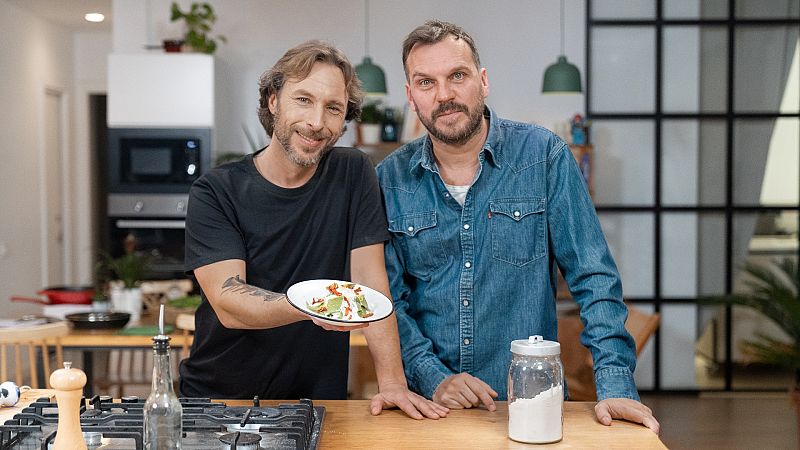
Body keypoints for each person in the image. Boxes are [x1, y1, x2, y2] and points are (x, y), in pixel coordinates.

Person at [375, 20, 659, 432]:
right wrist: (433, 377)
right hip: (429, 410)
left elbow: (594, 278)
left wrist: (614, 385)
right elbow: (388, 299)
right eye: (425, 82)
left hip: (532, 407)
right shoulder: (388, 179)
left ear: (483, 81)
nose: (444, 95)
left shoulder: (544, 157)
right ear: (410, 96)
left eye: (458, 76)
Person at [179, 40, 447, 420]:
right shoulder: (216, 191)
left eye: (333, 108)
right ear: (274, 101)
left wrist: (392, 384)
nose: (317, 122)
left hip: (316, 404)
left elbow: (372, 285)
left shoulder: (352, 173)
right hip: (220, 401)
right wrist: (308, 305)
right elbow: (229, 305)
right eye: (303, 100)